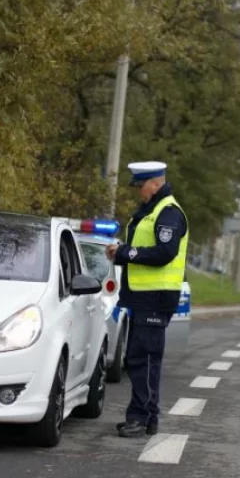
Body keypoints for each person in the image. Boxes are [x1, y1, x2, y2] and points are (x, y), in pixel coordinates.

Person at [106, 161, 189, 438]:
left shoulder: (168, 213)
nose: (139, 191)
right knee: (140, 358)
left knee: (144, 359)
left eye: (141, 186)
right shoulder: (152, 211)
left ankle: (140, 418)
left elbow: (165, 252)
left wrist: (126, 253)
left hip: (156, 296)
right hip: (144, 297)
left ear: (155, 183)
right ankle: (147, 417)